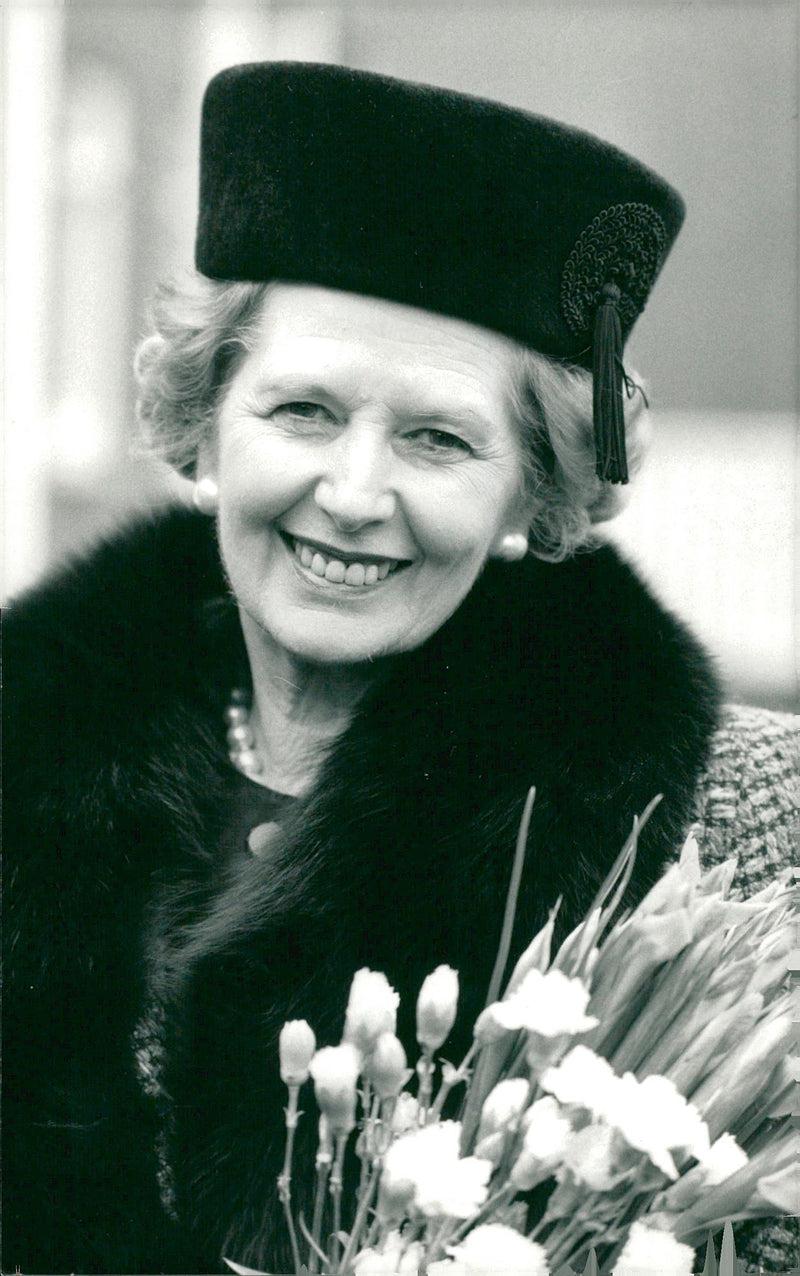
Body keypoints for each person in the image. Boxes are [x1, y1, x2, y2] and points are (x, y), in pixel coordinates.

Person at [4, 63, 796, 1275]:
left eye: (435, 437)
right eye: (303, 411)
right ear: (203, 424)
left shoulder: (755, 820)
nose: (354, 494)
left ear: (536, 491)